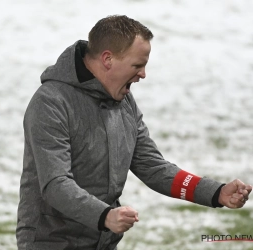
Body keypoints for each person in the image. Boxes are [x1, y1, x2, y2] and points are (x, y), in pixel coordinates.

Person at [16, 15, 252, 250]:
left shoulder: (124, 101)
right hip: (51, 243)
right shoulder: (50, 103)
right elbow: (55, 184)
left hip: (103, 241)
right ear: (108, 59)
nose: (143, 74)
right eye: (137, 65)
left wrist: (216, 192)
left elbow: (152, 166)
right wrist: (106, 216)